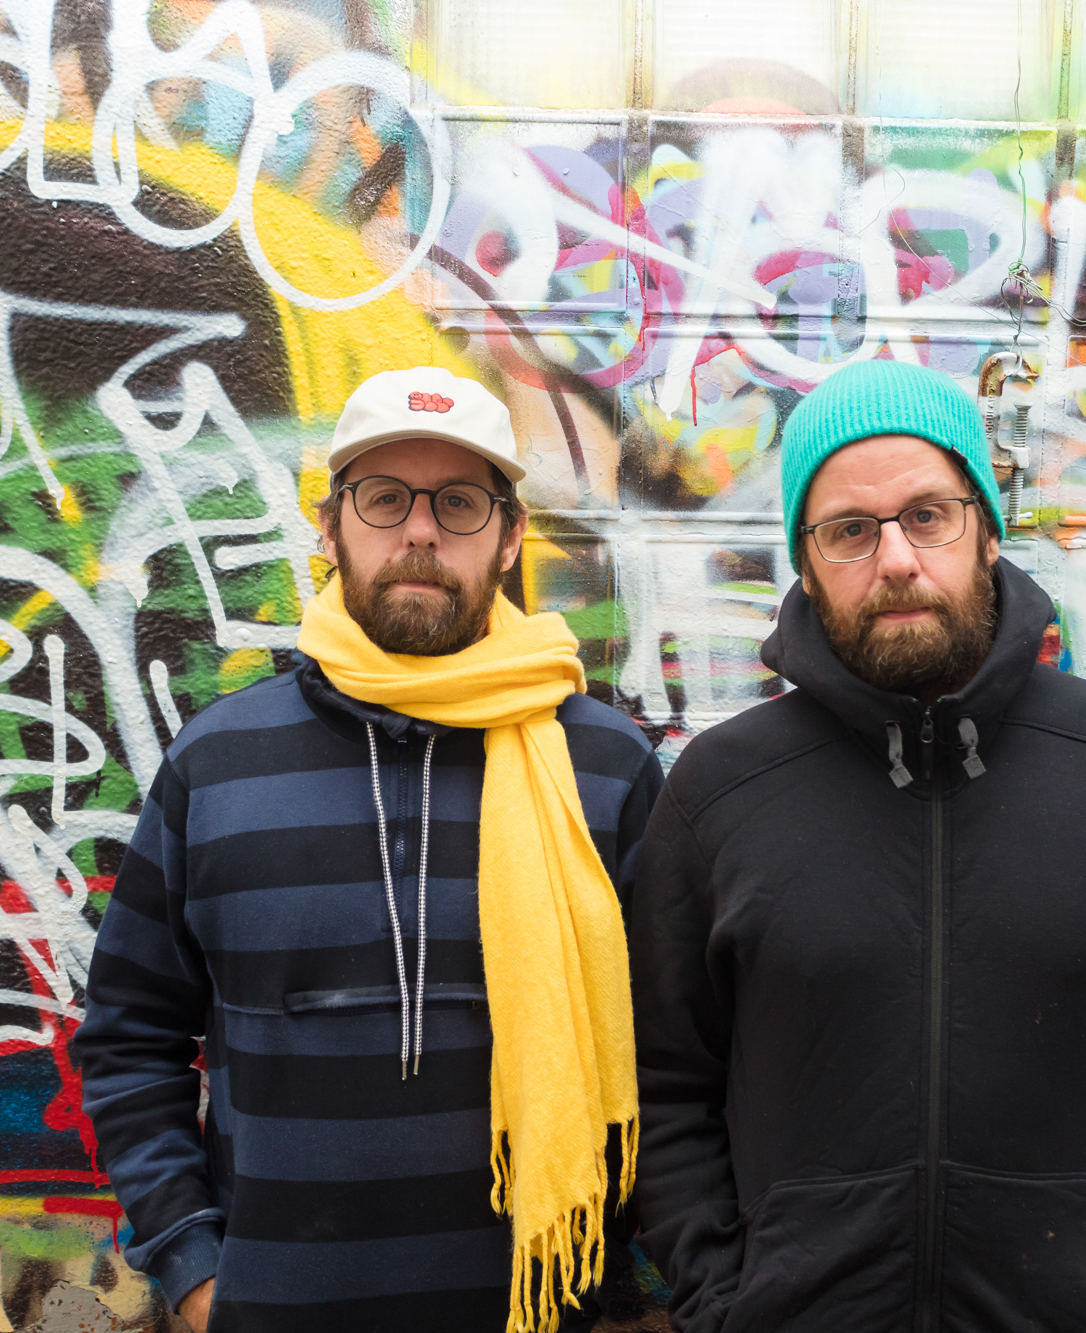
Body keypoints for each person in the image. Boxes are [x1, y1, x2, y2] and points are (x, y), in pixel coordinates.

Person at [627, 358, 1086, 1332]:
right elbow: (659, 1083)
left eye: (927, 514)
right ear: (803, 563)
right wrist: (725, 1302)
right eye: (849, 529)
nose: (894, 558)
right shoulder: (719, 792)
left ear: (984, 530)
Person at [75, 367, 664, 1333]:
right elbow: (129, 1036)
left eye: (460, 502)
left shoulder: (603, 765)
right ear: (331, 524)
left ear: (511, 534)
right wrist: (194, 1265)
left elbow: (675, 1053)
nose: (420, 531)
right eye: (385, 498)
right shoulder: (217, 764)